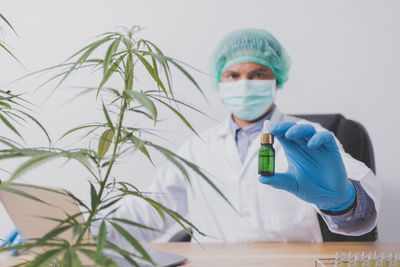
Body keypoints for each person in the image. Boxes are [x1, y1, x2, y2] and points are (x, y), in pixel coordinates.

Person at [2, 29, 379, 246]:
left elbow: (361, 215)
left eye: (259, 73)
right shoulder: (197, 148)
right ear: (219, 81)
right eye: (233, 75)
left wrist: (343, 201)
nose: (245, 82)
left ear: (276, 79)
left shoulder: (311, 136)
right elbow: (145, 213)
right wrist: (66, 232)